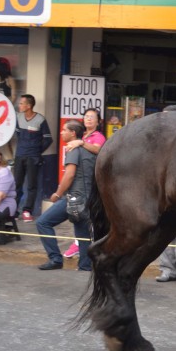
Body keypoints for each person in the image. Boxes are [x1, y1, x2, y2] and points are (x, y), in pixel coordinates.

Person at [36, 121, 96, 271]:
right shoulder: (89, 151)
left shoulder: (74, 150)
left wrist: (57, 193)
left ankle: (55, 258)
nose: (61, 133)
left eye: (64, 130)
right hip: (88, 198)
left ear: (73, 133)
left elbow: (69, 175)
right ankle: (85, 266)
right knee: (82, 233)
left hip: (75, 198)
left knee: (43, 222)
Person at [62, 108, 106, 258]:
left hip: (90, 182)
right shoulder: (82, 135)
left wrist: (80, 143)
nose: (88, 119)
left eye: (92, 117)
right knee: (79, 216)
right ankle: (79, 244)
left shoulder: (97, 136)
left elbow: (98, 150)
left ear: (98, 121)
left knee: (85, 216)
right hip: (78, 184)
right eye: (86, 116)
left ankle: (83, 247)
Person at [13, 95, 53, 223]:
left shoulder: (40, 120)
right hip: (19, 155)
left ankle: (27, 211)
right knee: (16, 184)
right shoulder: (18, 118)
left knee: (31, 185)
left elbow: (48, 139)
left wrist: (36, 151)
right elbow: (18, 134)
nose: (19, 105)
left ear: (29, 106)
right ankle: (13, 210)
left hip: (33, 158)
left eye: (21, 103)